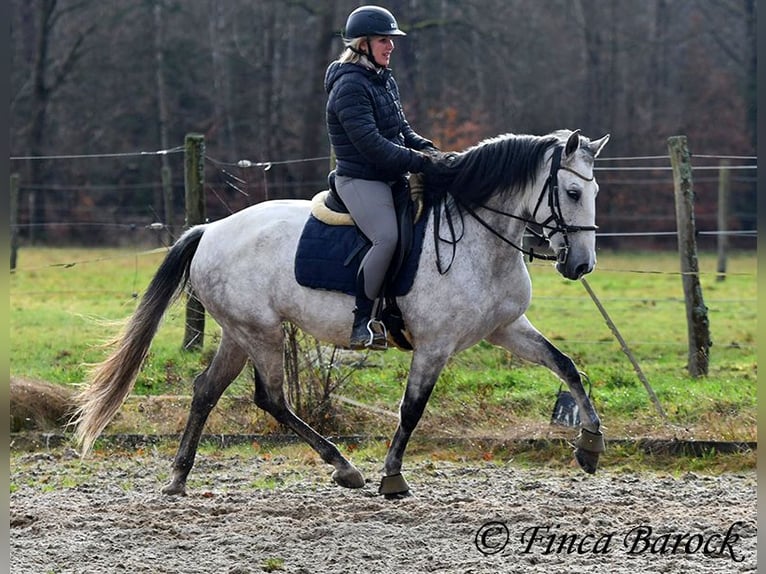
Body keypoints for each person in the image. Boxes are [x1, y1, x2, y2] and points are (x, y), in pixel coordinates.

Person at [325, 5, 441, 350]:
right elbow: (373, 146)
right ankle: (362, 321)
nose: (390, 46)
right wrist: (418, 162)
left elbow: (401, 129)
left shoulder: (382, 77)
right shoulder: (349, 86)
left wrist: (431, 151)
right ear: (362, 44)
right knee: (386, 238)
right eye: (383, 40)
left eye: (391, 40)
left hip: (391, 175)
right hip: (361, 180)